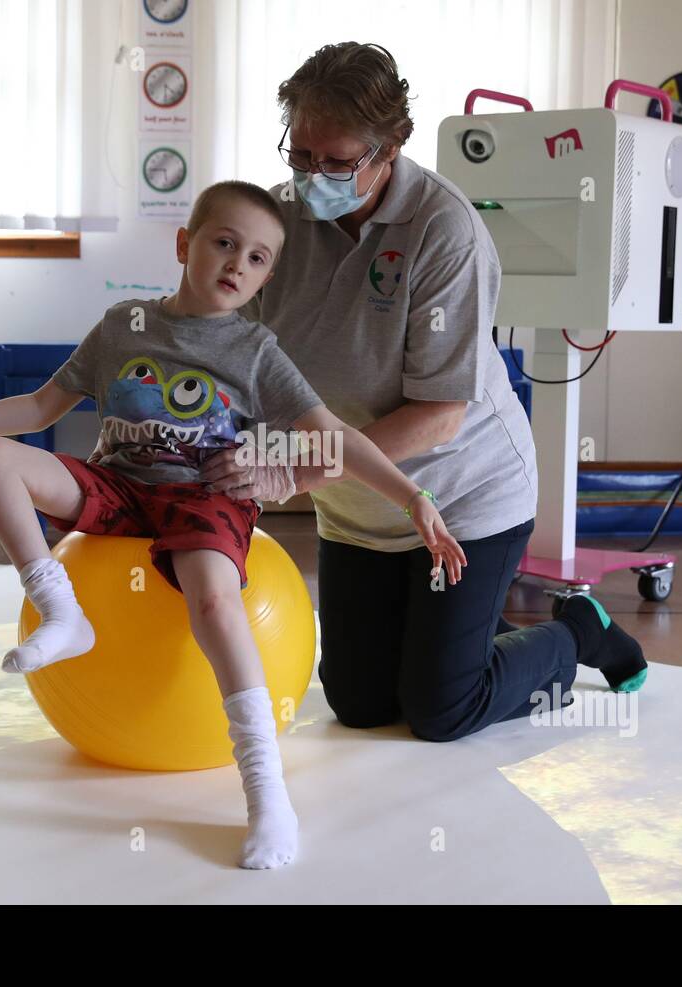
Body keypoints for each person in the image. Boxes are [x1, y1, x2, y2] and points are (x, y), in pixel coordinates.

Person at [0, 179, 467, 870]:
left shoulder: (256, 349)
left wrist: (411, 496)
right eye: (224, 243)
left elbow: (336, 438)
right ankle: (61, 610)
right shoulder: (123, 324)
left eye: (260, 257)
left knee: (211, 595)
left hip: (205, 496)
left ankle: (265, 789)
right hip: (119, 485)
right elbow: (36, 409)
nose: (239, 264)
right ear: (185, 244)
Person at [203, 42, 649, 743]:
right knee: (361, 703)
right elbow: (236, 357)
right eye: (300, 155)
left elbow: (440, 417)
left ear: (392, 147)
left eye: (337, 162)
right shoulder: (278, 224)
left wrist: (292, 465)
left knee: (443, 709)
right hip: (355, 509)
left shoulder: (445, 231)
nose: (311, 177)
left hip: (461, 499)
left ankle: (575, 633)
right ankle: (459, 632)